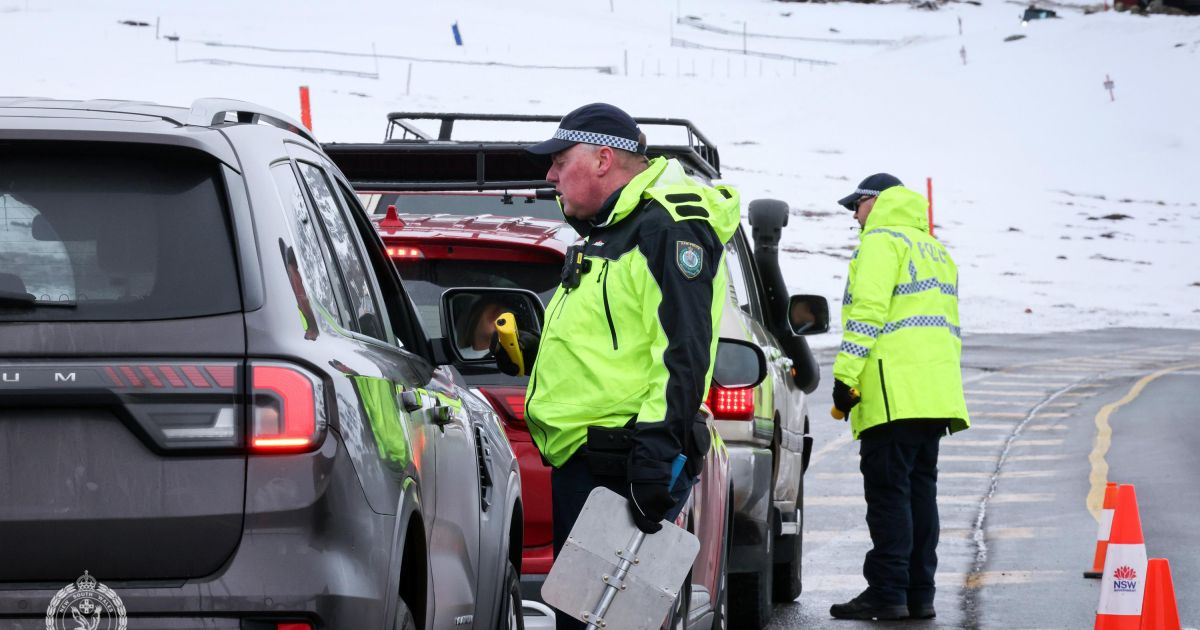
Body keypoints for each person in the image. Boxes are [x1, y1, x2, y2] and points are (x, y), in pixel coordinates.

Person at [492, 103, 740, 630]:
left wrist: (656, 456)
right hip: (593, 462)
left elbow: (682, 350)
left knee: (604, 623)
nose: (550, 176)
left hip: (624, 464)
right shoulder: (616, 227)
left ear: (603, 159)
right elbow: (617, 341)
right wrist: (535, 352)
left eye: (561, 161)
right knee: (586, 620)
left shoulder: (668, 226)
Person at [829, 173, 970, 621]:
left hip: (893, 394)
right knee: (920, 495)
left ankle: (887, 592)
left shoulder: (881, 243)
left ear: (876, 201)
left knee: (889, 495)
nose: (855, 216)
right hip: (934, 395)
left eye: (857, 205)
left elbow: (867, 315)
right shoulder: (936, 250)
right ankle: (918, 593)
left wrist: (845, 377)